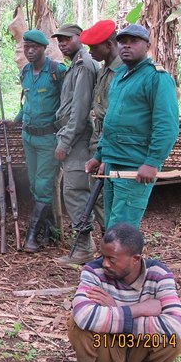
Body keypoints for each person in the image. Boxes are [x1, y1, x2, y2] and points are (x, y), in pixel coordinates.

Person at [62, 223, 181, 362]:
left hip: (140, 347)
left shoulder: (159, 274)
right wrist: (137, 309)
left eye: (112, 259)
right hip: (104, 345)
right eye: (103, 256)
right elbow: (83, 315)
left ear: (135, 259)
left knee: (178, 338)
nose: (105, 263)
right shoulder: (93, 271)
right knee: (75, 321)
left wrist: (114, 312)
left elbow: (175, 325)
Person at [85, 25, 179, 229]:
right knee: (111, 224)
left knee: (122, 227)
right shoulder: (119, 77)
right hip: (112, 162)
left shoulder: (157, 78)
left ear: (147, 46)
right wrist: (100, 156)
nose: (127, 46)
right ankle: (112, 261)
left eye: (134, 41)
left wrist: (152, 162)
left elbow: (167, 126)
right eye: (123, 41)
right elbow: (111, 122)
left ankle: (125, 261)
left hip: (135, 165)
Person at [13, 29, 66, 253]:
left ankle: (31, 237)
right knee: (35, 183)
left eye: (35, 47)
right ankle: (47, 230)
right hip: (28, 136)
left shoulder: (57, 71)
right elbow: (28, 102)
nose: (30, 51)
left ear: (45, 49)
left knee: (43, 184)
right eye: (27, 47)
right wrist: (16, 119)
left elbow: (68, 103)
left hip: (48, 138)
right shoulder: (25, 72)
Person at [52, 23, 100, 264]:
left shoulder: (83, 66)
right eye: (59, 40)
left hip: (78, 139)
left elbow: (80, 112)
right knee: (80, 192)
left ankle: (84, 247)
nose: (62, 44)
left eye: (67, 39)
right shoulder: (76, 65)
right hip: (75, 136)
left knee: (75, 192)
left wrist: (65, 142)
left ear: (80, 38)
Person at [79, 20, 122, 234]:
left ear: (109, 44)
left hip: (111, 143)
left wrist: (105, 154)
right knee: (99, 197)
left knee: (107, 198)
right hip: (99, 141)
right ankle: (111, 241)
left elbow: (118, 118)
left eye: (94, 47)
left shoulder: (122, 71)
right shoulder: (104, 68)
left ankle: (115, 241)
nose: (90, 52)